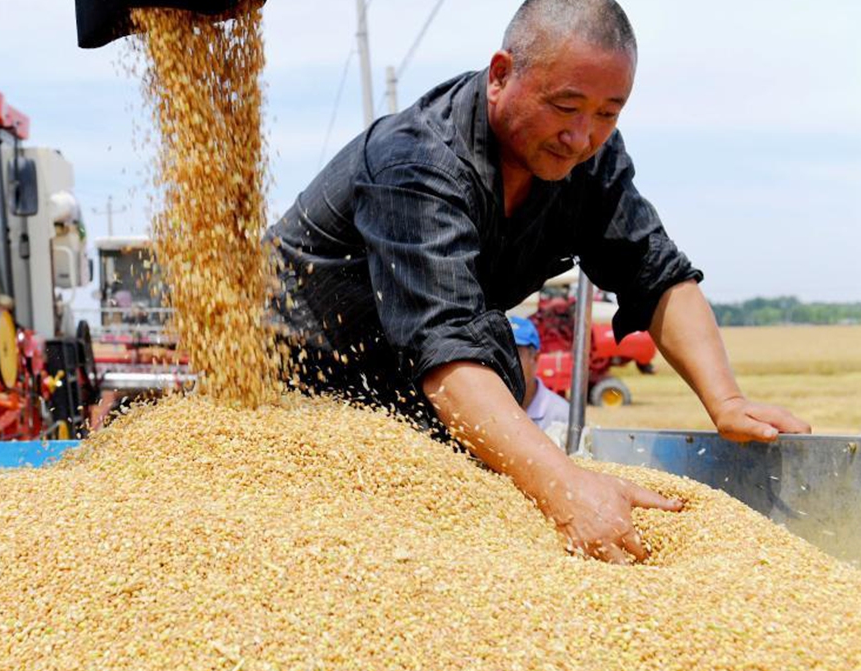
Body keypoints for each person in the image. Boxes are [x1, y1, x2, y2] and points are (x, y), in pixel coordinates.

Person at [267, 0, 810, 565]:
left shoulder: (584, 162)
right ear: (502, 74)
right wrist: (563, 486)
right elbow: (446, 344)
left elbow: (656, 271)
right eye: (565, 106)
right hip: (296, 399)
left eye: (608, 113)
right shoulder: (416, 162)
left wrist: (726, 400)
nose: (582, 136)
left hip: (408, 402)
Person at [508, 316, 569, 432]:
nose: (506, 362)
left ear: (535, 358)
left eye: (515, 354)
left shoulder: (560, 416)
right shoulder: (485, 411)